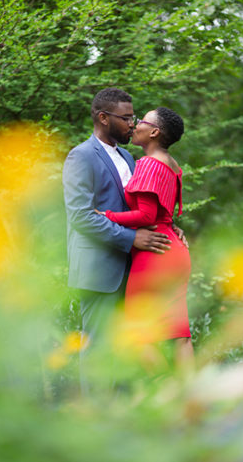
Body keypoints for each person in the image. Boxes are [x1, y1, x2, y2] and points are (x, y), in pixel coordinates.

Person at [62, 87, 171, 394]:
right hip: (99, 270)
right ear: (103, 118)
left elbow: (143, 210)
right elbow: (81, 217)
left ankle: (123, 421)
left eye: (133, 117)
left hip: (133, 270)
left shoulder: (127, 156)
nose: (132, 124)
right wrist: (131, 238)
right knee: (97, 347)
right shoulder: (81, 156)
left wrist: (171, 228)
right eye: (126, 118)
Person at [99, 107, 192, 372]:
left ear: (154, 131)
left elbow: (146, 214)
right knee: (179, 335)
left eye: (141, 121)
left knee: (138, 335)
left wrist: (107, 215)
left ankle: (168, 397)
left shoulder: (149, 163)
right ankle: (192, 401)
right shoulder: (172, 164)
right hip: (174, 249)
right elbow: (164, 213)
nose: (135, 124)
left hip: (154, 254)